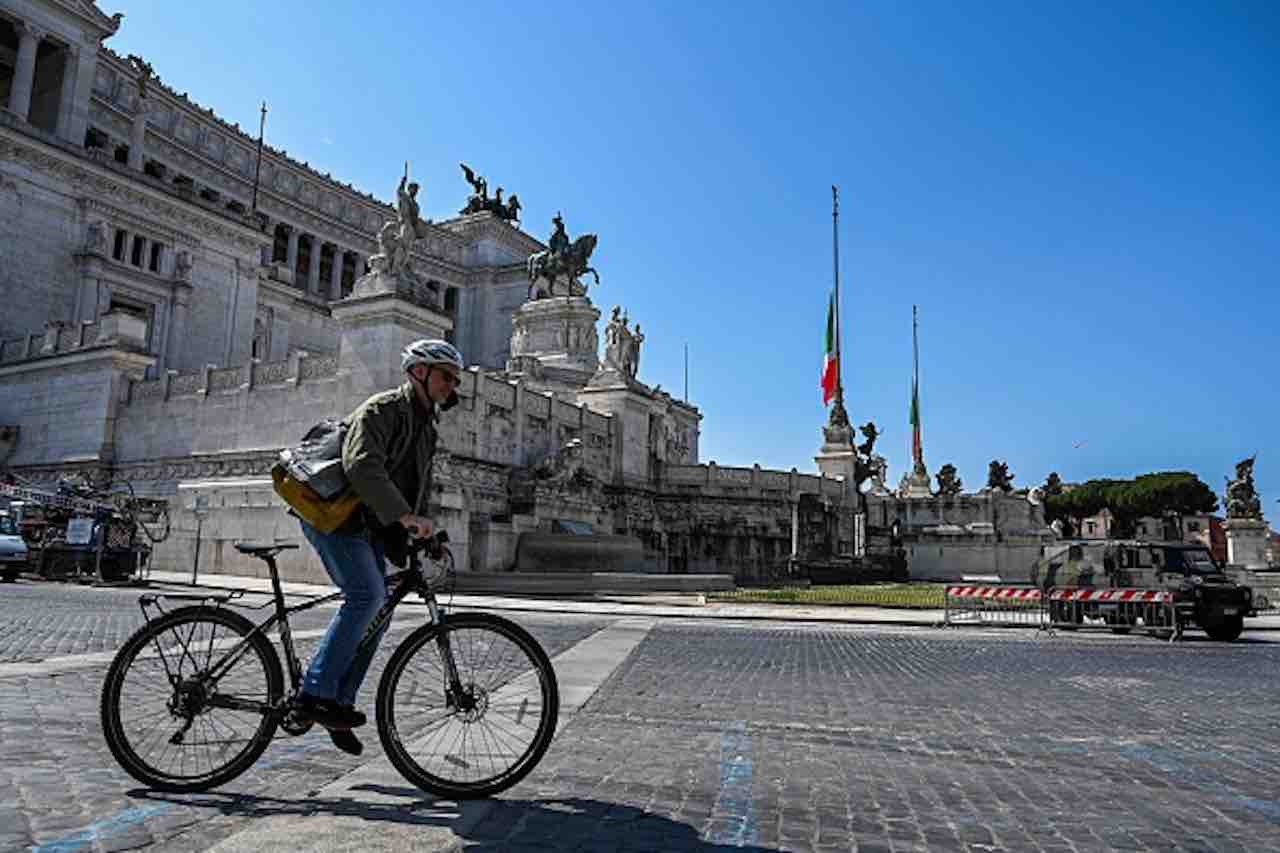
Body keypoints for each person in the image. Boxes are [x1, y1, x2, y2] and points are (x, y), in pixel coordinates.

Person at [295, 339, 464, 755]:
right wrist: (405, 517)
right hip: (332, 514)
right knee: (366, 595)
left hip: (364, 524)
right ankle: (314, 692)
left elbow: (414, 490)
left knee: (380, 610)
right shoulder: (383, 409)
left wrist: (424, 535)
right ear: (419, 373)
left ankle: (337, 702)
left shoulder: (426, 427)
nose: (451, 385)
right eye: (445, 375)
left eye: (455, 379)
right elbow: (362, 465)